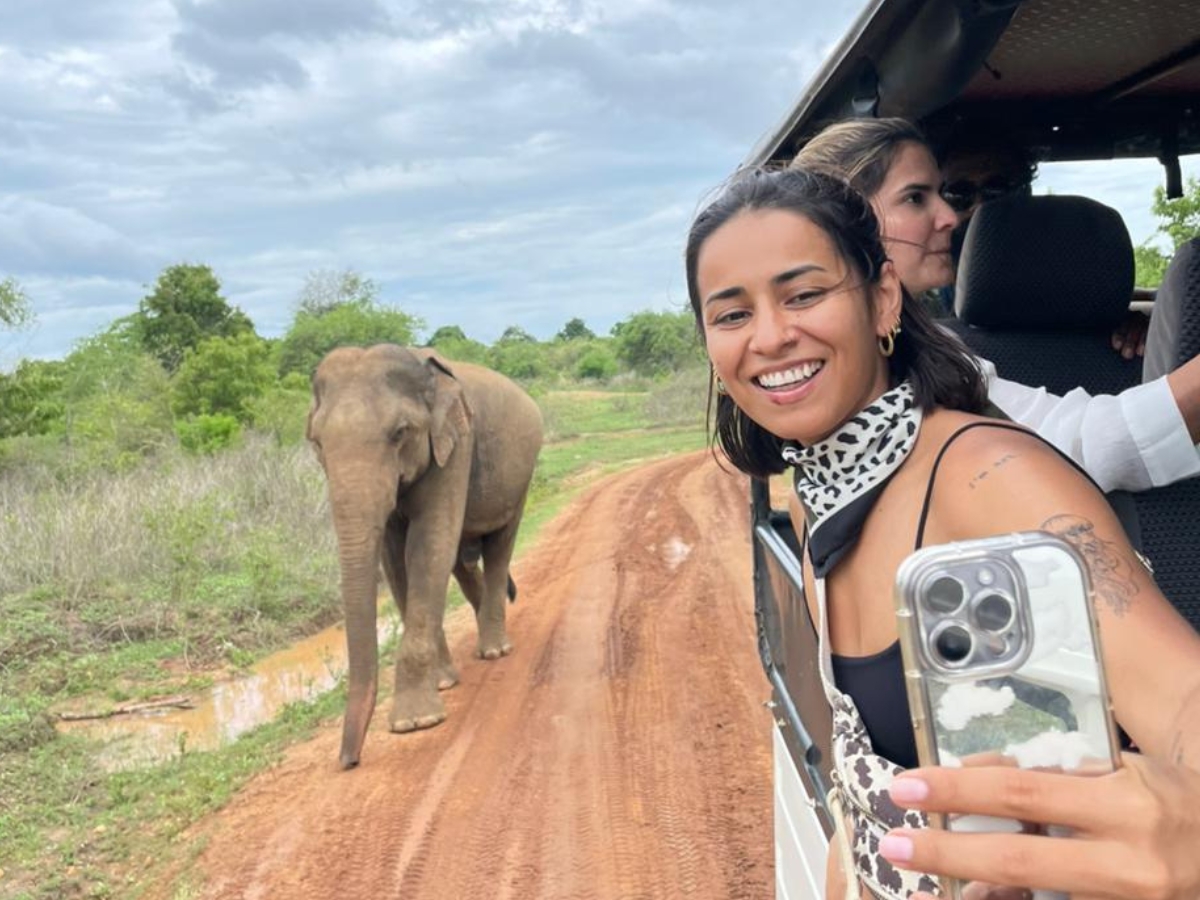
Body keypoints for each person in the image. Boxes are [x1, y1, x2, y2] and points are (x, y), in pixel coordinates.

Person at [685, 165, 1200, 900]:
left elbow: (1180, 695)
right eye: (732, 315)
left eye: (804, 295)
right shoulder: (815, 490)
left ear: (882, 299)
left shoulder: (988, 473)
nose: (769, 336)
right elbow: (860, 781)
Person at [792, 117, 1200, 493]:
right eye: (917, 198)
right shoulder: (863, 361)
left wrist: (1165, 321)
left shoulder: (920, 346)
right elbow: (1068, 449)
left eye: (1000, 191)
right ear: (845, 221)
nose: (952, 216)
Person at [937, 120, 1150, 358]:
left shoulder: (1077, 296)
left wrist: (1140, 330)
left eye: (996, 190)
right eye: (958, 193)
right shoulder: (911, 307)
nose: (979, 207)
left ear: (1024, 194)